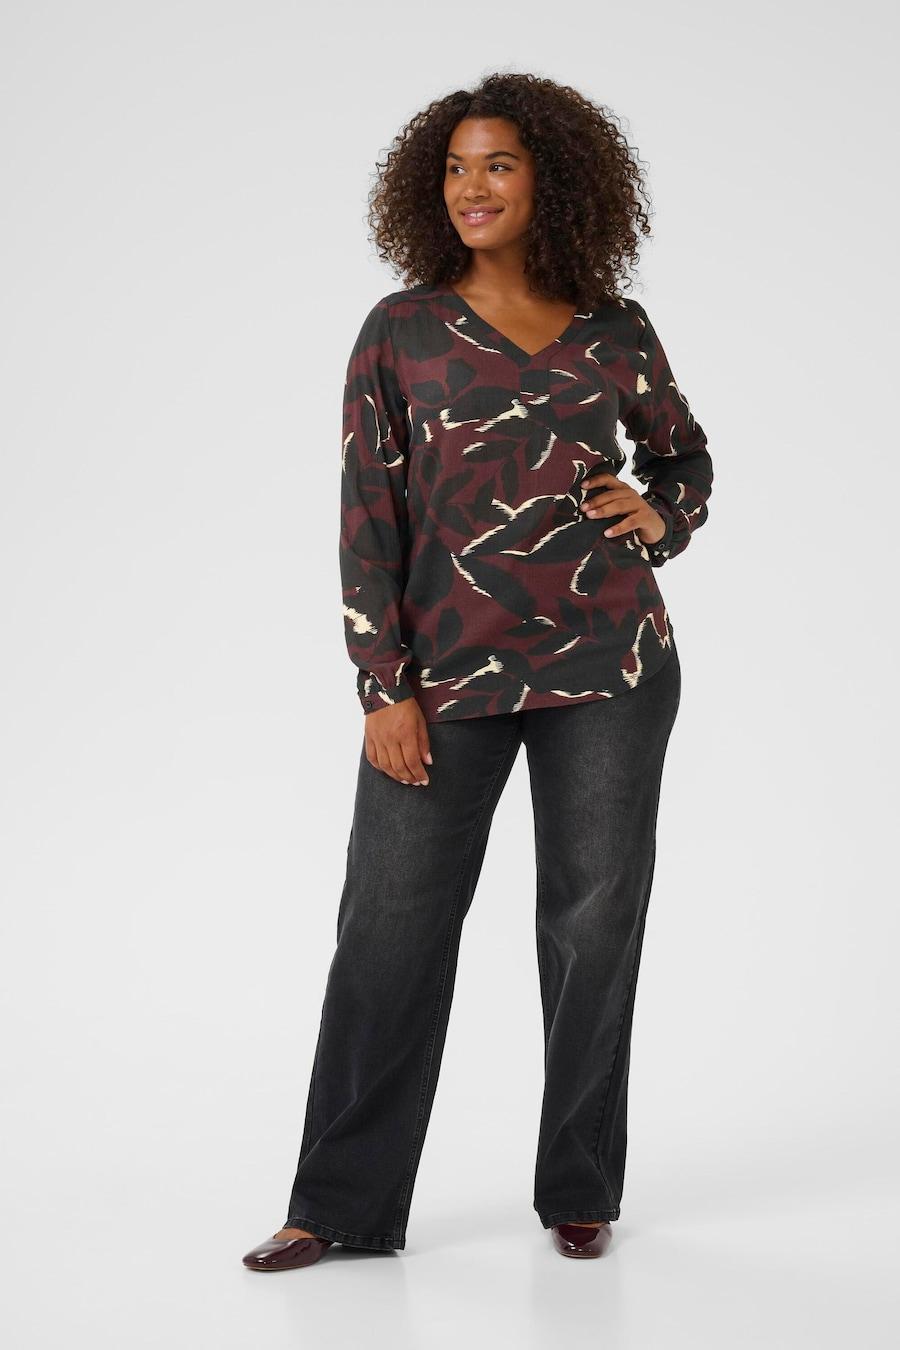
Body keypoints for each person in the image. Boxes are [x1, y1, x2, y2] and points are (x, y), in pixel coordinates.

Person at [242, 70, 713, 1271]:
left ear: (553, 180)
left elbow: (684, 459)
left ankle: (580, 1190)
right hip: (443, 681)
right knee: (389, 930)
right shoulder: (399, 330)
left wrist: (660, 515)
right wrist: (381, 684)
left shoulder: (613, 327)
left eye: (499, 163)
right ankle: (338, 1204)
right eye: (456, 167)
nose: (473, 186)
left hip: (611, 666)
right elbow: (368, 513)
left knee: (593, 930)